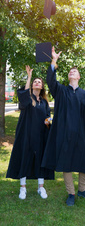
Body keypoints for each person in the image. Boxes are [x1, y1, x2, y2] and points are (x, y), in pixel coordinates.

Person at [41, 47, 85, 206]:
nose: (72, 72)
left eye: (75, 71)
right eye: (70, 71)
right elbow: (51, 80)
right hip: (64, 133)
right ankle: (71, 193)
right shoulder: (61, 91)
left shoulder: (84, 95)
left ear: (79, 77)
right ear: (68, 76)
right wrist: (53, 61)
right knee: (66, 163)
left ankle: (82, 189)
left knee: (82, 161)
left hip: (80, 133)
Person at [6, 65, 54, 200]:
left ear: (43, 86)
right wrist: (29, 76)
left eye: (39, 82)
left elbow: (48, 116)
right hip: (26, 134)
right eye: (35, 82)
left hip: (40, 135)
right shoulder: (28, 98)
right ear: (32, 86)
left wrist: (48, 121)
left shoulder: (44, 102)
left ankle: (41, 187)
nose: (37, 83)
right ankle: (23, 188)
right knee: (24, 158)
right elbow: (25, 93)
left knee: (40, 159)